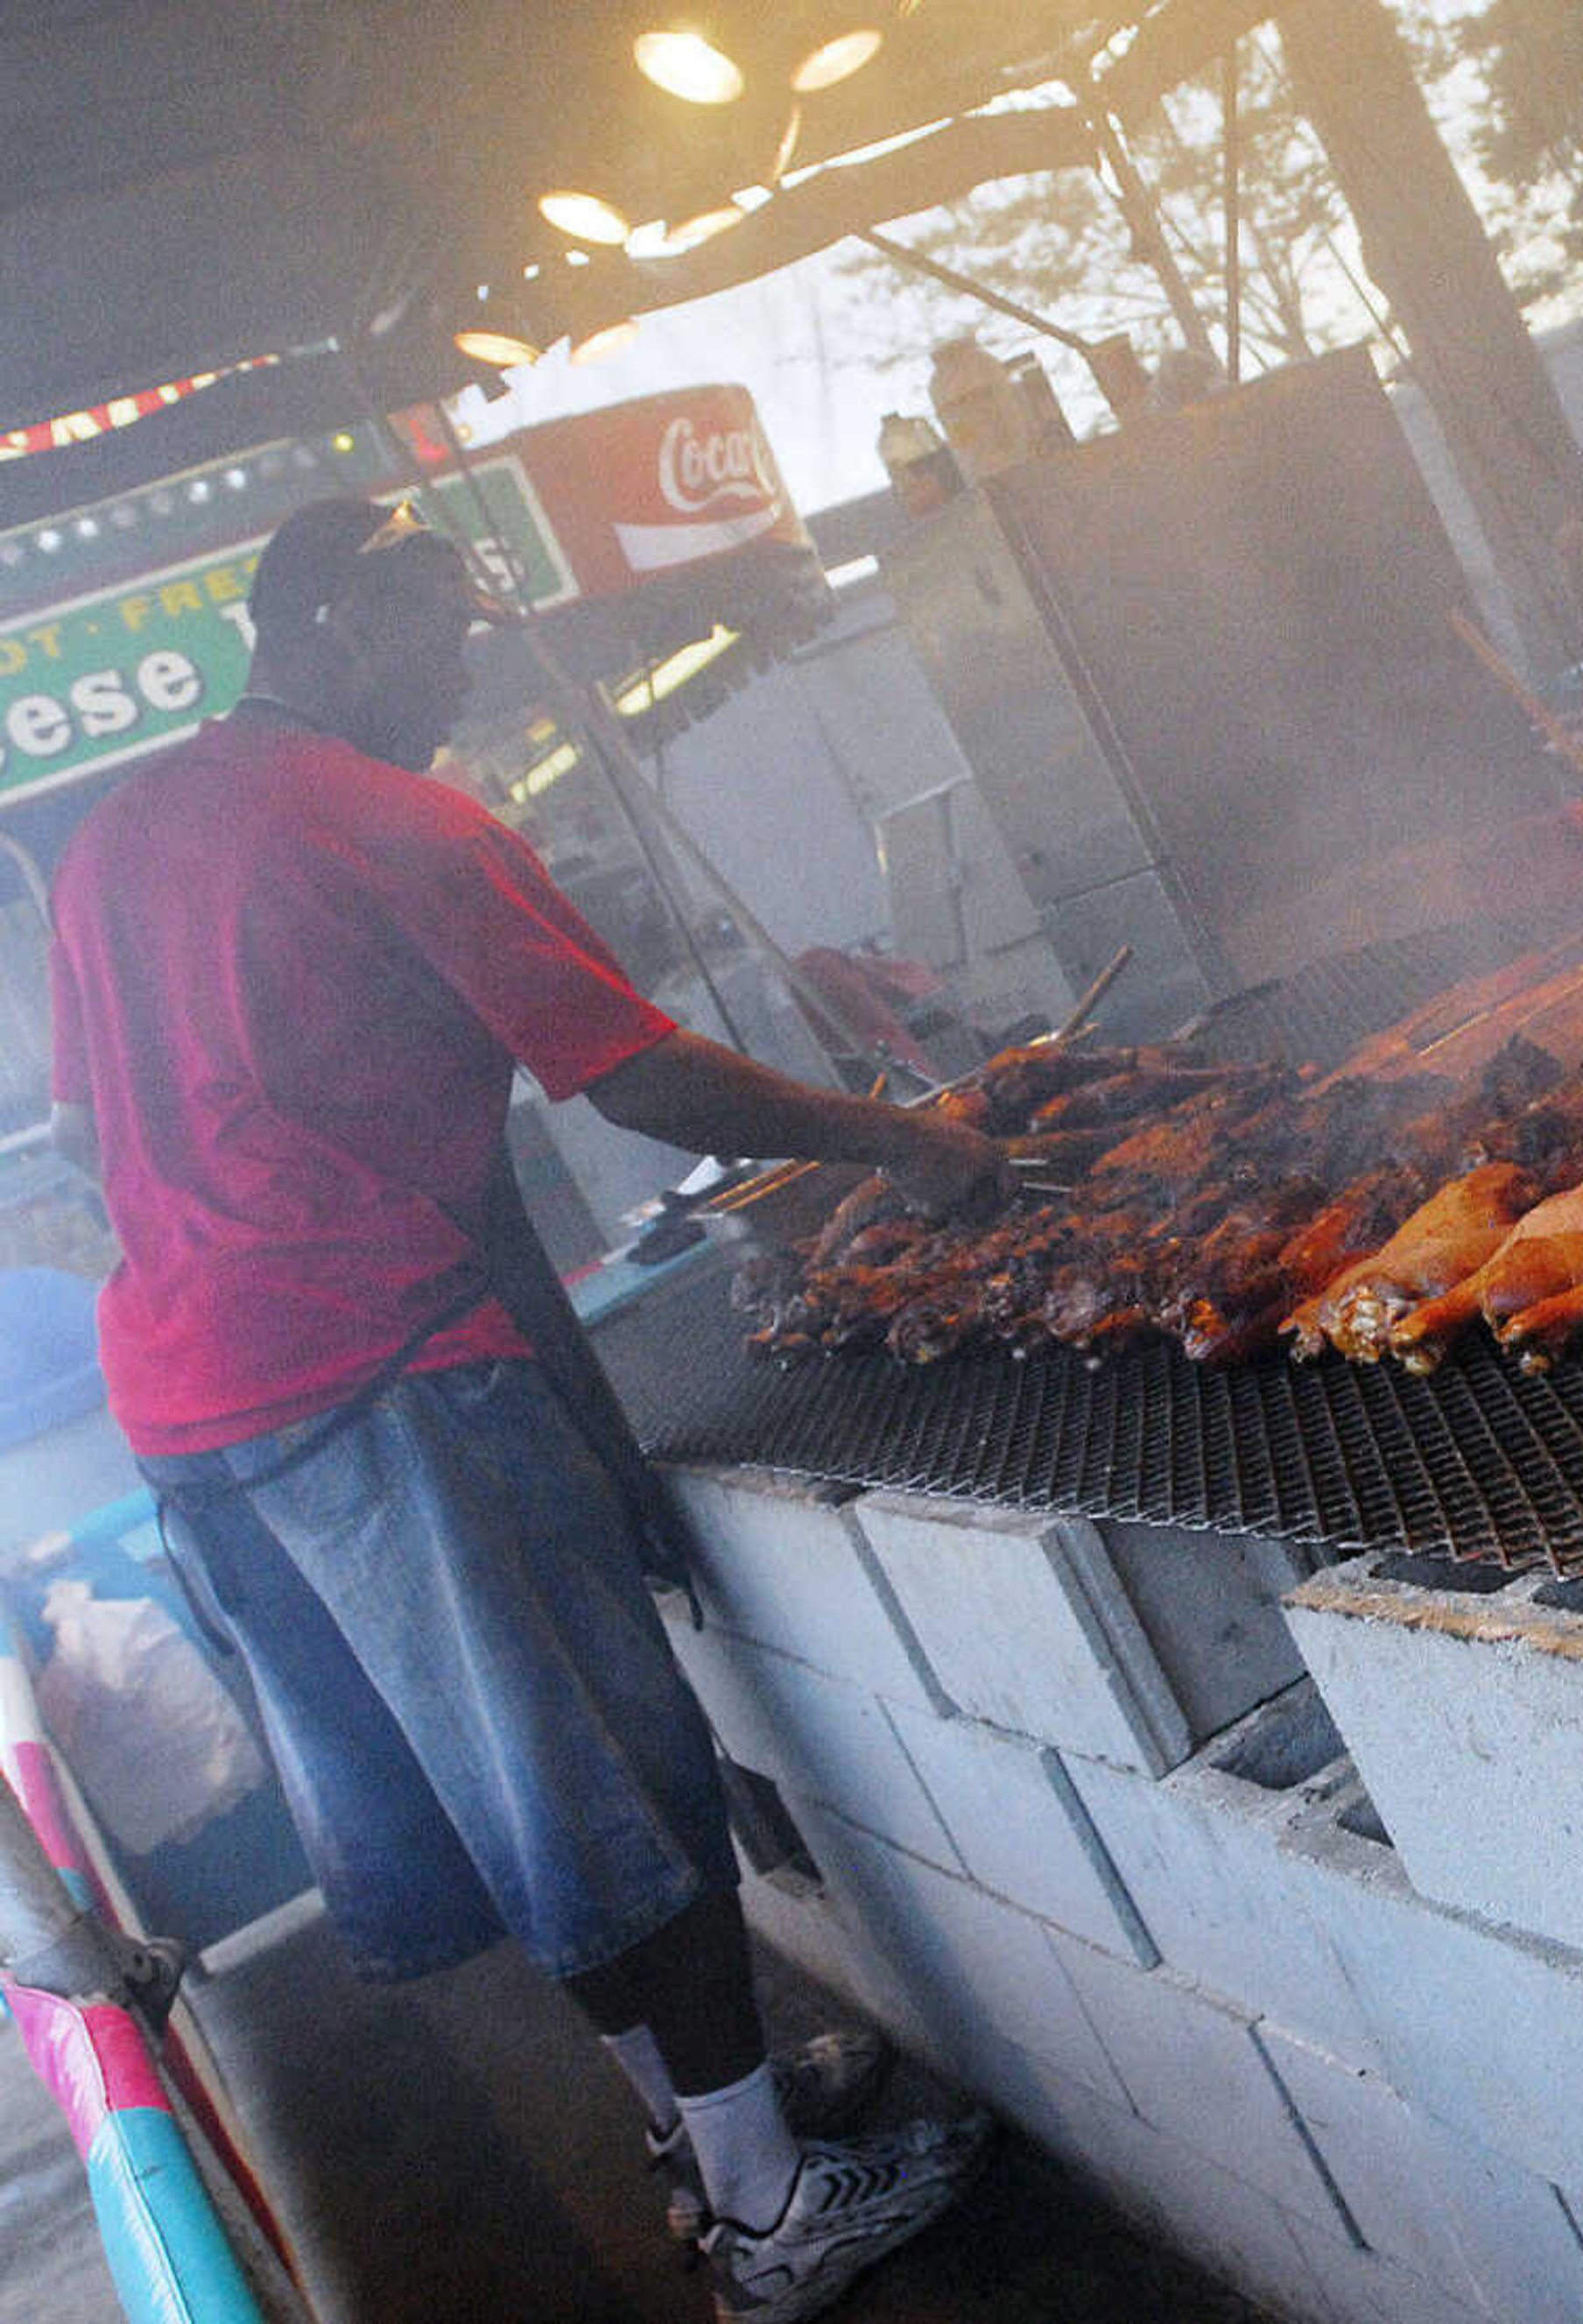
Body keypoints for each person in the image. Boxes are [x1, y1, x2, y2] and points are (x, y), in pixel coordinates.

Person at [44, 497, 1006, 2324]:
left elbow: (101, 1137)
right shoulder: (393, 820)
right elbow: (635, 1074)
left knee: (502, 1802)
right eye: (440, 626)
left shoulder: (119, 841)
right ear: (334, 618)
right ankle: (778, 2212)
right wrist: (906, 1137)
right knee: (610, 1779)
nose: (466, 664)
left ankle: (702, 2139)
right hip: (377, 1381)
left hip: (194, 1409)